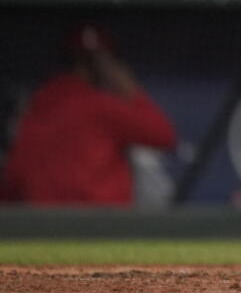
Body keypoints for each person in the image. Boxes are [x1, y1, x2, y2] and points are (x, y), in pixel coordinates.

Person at [0, 25, 176, 205]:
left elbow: (11, 182)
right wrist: (129, 89)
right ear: (103, 65)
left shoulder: (36, 108)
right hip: (102, 224)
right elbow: (164, 134)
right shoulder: (100, 105)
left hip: (48, 227)